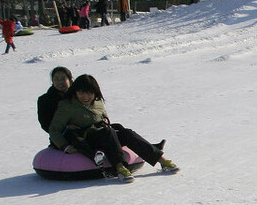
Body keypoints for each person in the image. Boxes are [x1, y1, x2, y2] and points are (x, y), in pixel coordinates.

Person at [47, 74, 180, 181]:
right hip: (86, 138)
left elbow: (103, 116)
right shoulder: (67, 105)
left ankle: (162, 160)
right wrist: (65, 146)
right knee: (108, 131)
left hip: (104, 134)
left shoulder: (98, 102)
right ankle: (120, 167)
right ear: (75, 92)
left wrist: (105, 119)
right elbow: (55, 129)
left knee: (126, 133)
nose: (85, 97)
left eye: (89, 93)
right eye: (81, 93)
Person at [38, 66, 73, 131]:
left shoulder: (80, 96)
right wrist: (66, 128)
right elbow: (46, 124)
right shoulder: (45, 100)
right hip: (60, 137)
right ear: (52, 81)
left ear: (70, 80)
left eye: (63, 79)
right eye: (56, 79)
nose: (60, 82)